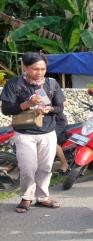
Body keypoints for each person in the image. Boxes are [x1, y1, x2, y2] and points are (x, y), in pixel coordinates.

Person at [0, 52, 64, 213]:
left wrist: (49, 109)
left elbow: (59, 108)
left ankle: (42, 197)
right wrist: (28, 103)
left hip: (48, 133)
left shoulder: (52, 83)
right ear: (26, 67)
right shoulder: (14, 84)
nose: (40, 72)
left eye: (43, 69)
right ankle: (26, 197)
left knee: (46, 167)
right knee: (28, 167)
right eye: (35, 69)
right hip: (24, 133)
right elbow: (6, 110)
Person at [54, 100, 69, 174]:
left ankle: (64, 164)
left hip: (58, 121)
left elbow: (65, 102)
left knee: (51, 141)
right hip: (43, 122)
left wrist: (51, 107)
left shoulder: (51, 89)